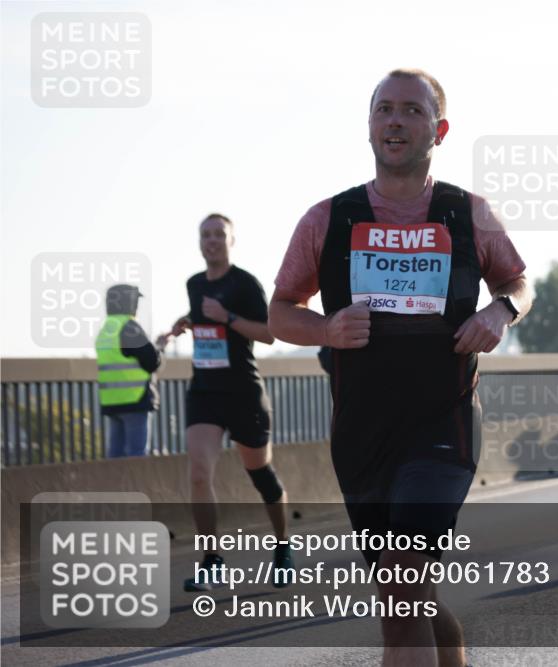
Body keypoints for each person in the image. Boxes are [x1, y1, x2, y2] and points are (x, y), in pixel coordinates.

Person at [268, 69, 530, 667]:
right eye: (383, 109)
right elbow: (281, 311)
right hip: (361, 434)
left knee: (401, 585)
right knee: (405, 592)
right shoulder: (327, 219)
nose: (394, 120)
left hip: (444, 424)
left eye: (411, 110)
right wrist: (326, 329)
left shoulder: (469, 213)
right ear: (368, 126)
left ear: (437, 129)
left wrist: (501, 310)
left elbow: (518, 279)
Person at [157, 213, 293, 591]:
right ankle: (211, 560)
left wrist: (228, 316)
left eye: (219, 234)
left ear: (232, 240)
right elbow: (207, 319)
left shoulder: (245, 283)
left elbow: (269, 333)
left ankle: (283, 546)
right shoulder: (194, 284)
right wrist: (190, 320)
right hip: (205, 390)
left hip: (243, 391)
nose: (212, 240)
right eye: (206, 235)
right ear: (199, 242)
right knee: (199, 473)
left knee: (260, 475)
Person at [95, 283, 164, 457]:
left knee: (116, 456)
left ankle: (114, 485)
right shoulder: (129, 327)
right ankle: (136, 485)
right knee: (137, 455)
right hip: (135, 399)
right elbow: (151, 362)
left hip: (112, 401)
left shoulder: (107, 329)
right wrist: (160, 347)